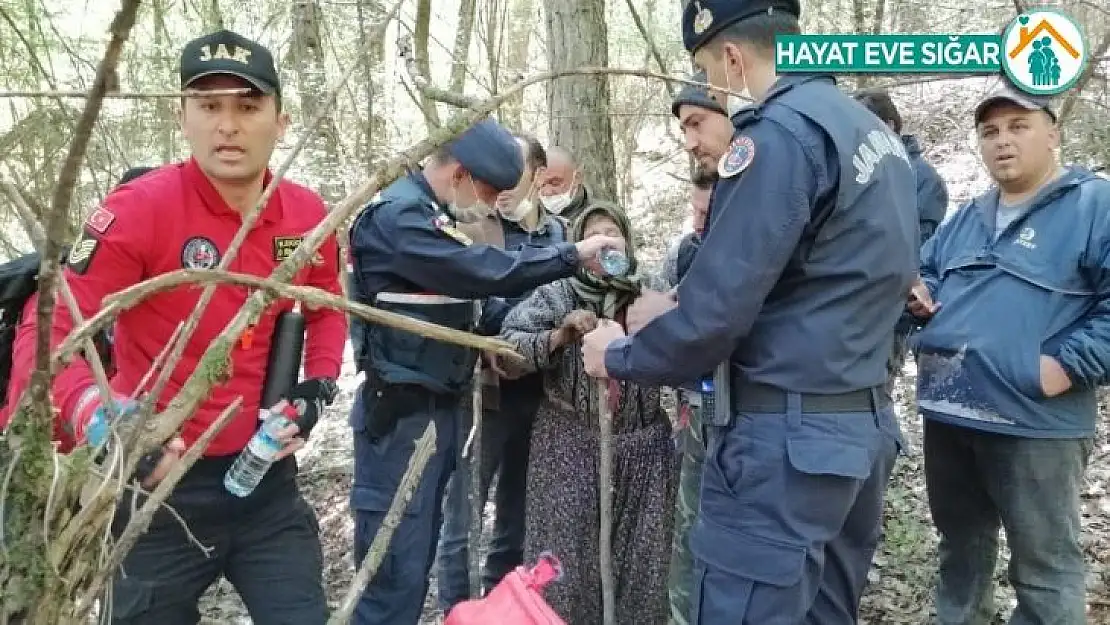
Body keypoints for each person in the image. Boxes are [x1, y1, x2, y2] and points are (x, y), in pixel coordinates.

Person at [579, 1, 919, 622]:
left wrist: (619, 356)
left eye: (709, 69)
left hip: (781, 451)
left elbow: (715, 315)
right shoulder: (871, 136)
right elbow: (823, 282)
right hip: (854, 433)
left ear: (732, 58)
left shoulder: (779, 136)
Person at [1, 29, 347, 624]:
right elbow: (51, 323)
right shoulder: (137, 209)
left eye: (247, 106)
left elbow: (326, 308)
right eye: (209, 107)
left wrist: (315, 388)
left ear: (281, 121)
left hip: (267, 487)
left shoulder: (307, 214)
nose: (228, 126)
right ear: (181, 118)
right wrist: (100, 415)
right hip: (155, 491)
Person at [347, 117, 622, 625]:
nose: (492, 203)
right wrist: (571, 255)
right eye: (489, 190)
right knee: (392, 570)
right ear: (460, 176)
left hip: (441, 412)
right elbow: (479, 273)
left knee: (418, 555)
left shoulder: (435, 215)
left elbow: (477, 307)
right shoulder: (397, 219)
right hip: (400, 421)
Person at [909, 84, 1109, 625]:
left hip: (1034, 423)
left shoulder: (1094, 205)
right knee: (960, 555)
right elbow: (928, 270)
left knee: (1044, 571)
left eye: (1018, 127)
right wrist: (919, 296)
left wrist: (1065, 366)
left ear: (1053, 132)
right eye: (990, 131)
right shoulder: (969, 216)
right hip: (950, 414)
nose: (1002, 142)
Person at [499, 201, 676, 625]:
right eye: (595, 240)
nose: (605, 251)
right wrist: (560, 334)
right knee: (565, 564)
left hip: (643, 452)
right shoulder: (557, 293)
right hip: (570, 448)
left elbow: (692, 340)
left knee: (642, 566)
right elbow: (506, 349)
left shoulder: (651, 291)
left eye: (614, 239)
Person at [435, 133, 569, 611]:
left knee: (517, 515)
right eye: (493, 180)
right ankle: (457, 610)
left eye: (512, 178)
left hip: (540, 392)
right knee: (463, 518)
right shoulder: (466, 225)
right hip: (482, 393)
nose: (502, 189)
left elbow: (563, 297)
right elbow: (470, 300)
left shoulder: (556, 236)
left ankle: (503, 607)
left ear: (535, 175)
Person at [663, 75, 732, 625]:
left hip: (751, 410)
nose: (700, 223)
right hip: (699, 403)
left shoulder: (755, 242)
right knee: (691, 521)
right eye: (696, 214)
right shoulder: (686, 251)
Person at [854, 89, 949, 244]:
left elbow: (920, 246)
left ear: (889, 126)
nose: (858, 134)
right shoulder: (856, 173)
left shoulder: (924, 178)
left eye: (864, 125)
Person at [536, 146, 590, 223]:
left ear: (577, 178)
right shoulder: (528, 221)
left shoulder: (601, 218)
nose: (547, 191)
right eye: (541, 185)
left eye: (555, 183)